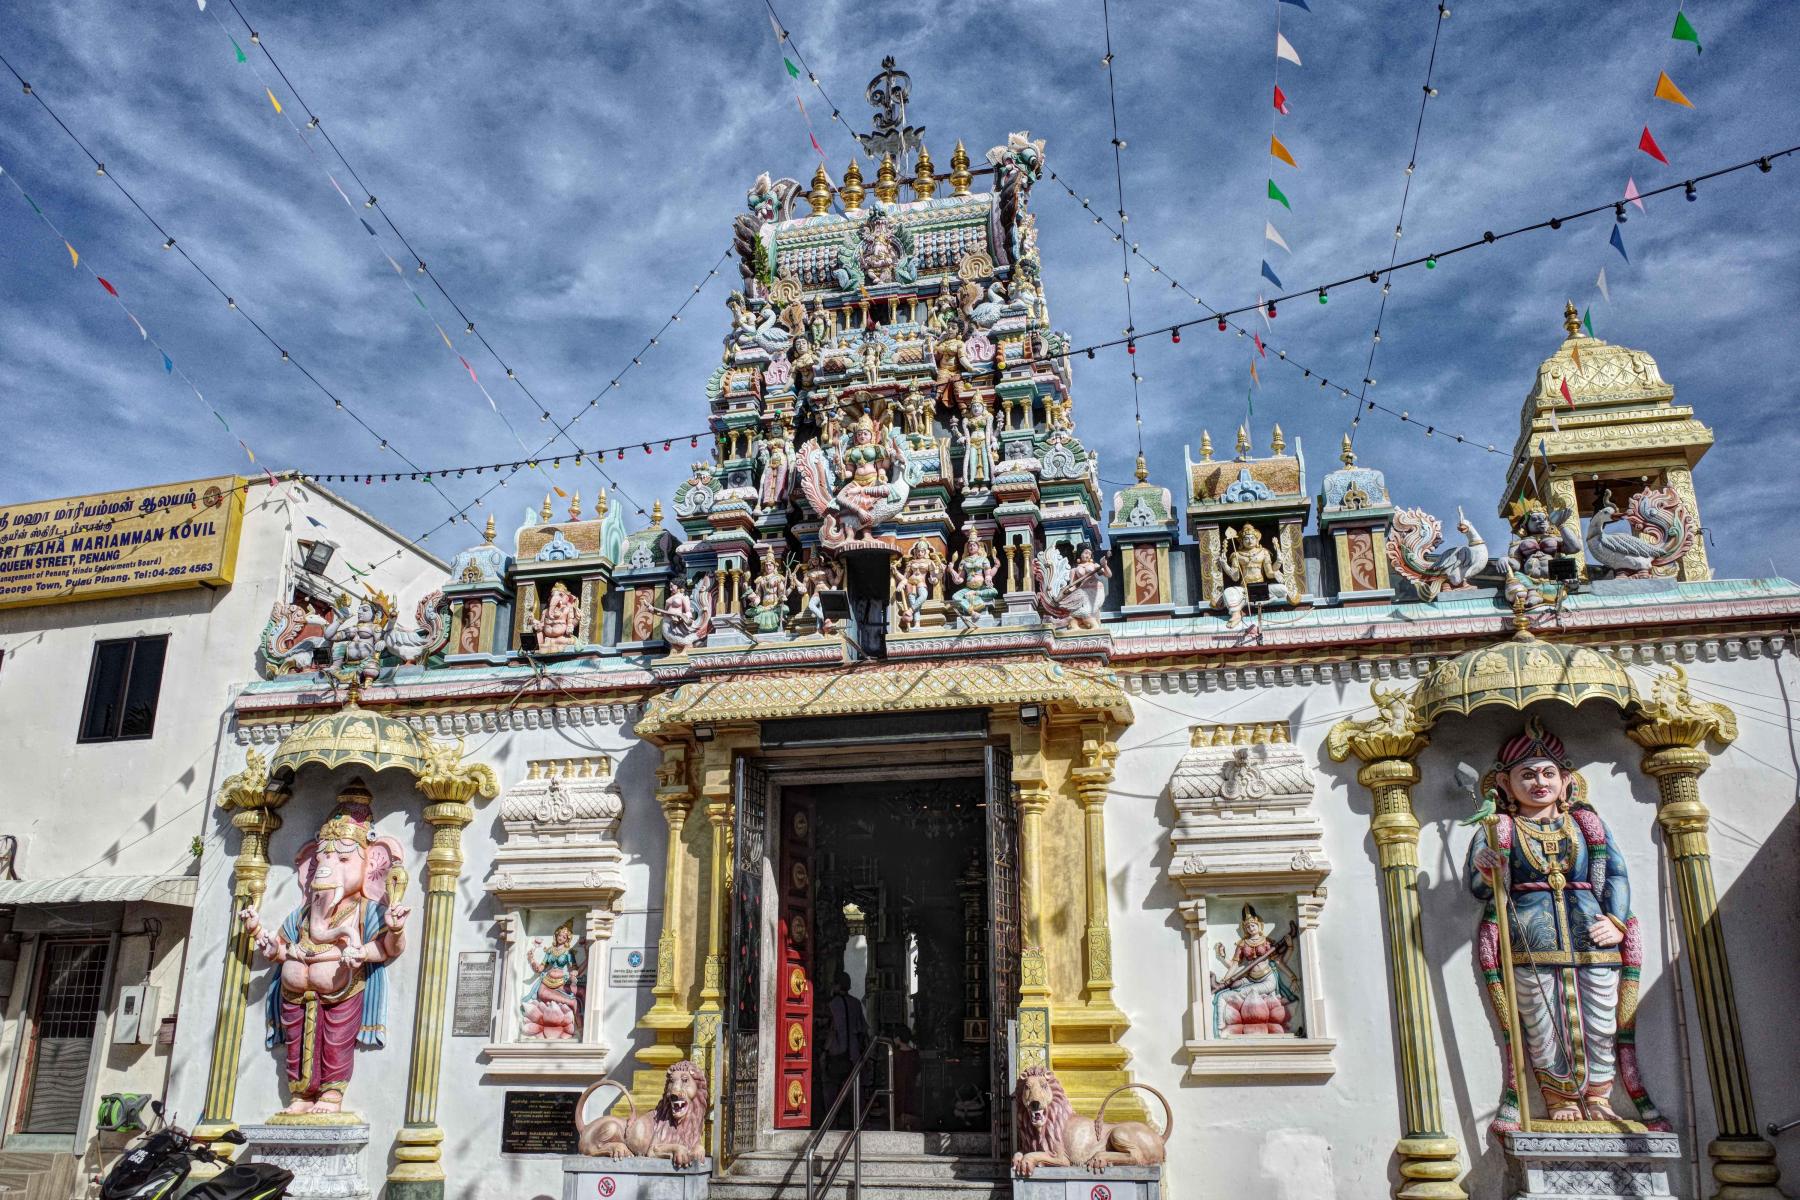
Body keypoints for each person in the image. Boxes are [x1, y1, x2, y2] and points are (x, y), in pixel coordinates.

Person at [821, 971, 869, 1123]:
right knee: (853, 1090)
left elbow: (832, 1030)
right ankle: (856, 1120)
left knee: (831, 1091)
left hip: (836, 1053)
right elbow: (863, 1029)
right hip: (853, 1055)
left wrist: (824, 1051)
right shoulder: (856, 1003)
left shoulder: (832, 1005)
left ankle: (831, 1121)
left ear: (836, 985)